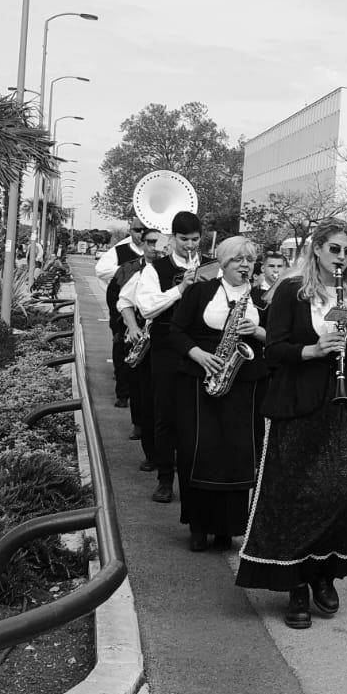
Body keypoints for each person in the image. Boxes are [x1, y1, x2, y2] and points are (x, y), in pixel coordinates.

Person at [236, 220, 347, 629]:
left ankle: (324, 573)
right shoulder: (292, 289)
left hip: (343, 403)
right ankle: (295, 583)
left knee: (340, 492)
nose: (341, 258)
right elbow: (275, 347)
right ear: (317, 248)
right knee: (296, 493)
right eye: (334, 249)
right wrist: (313, 350)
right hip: (299, 400)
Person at [169, 237, 266, 551]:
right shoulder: (201, 291)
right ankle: (198, 526)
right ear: (223, 262)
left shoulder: (261, 298)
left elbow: (279, 338)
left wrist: (257, 331)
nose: (244, 265)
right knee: (199, 451)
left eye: (249, 260)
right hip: (201, 377)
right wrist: (197, 354)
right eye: (238, 259)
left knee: (236, 454)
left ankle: (227, 529)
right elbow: (175, 331)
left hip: (244, 382)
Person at [134, 212, 214, 503]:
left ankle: (197, 481)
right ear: (173, 238)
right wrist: (181, 289)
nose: (190, 245)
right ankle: (165, 478)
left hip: (201, 347)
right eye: (184, 240)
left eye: (195, 240)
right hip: (166, 347)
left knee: (199, 414)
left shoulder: (212, 266)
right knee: (165, 414)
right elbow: (147, 308)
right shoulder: (155, 269)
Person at [114, 225, 164, 471]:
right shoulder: (139, 272)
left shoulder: (180, 271)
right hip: (146, 342)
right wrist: (133, 327)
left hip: (173, 345)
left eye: (159, 242)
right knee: (146, 400)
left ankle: (170, 455)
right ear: (143, 245)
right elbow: (123, 301)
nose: (156, 248)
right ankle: (152, 454)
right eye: (151, 243)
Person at [96, 220, 147, 408]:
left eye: (145, 230)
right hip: (122, 303)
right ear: (130, 231)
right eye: (138, 230)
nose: (142, 233)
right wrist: (129, 269)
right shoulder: (120, 250)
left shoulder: (158, 250)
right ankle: (123, 393)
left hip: (146, 306)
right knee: (121, 346)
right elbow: (101, 270)